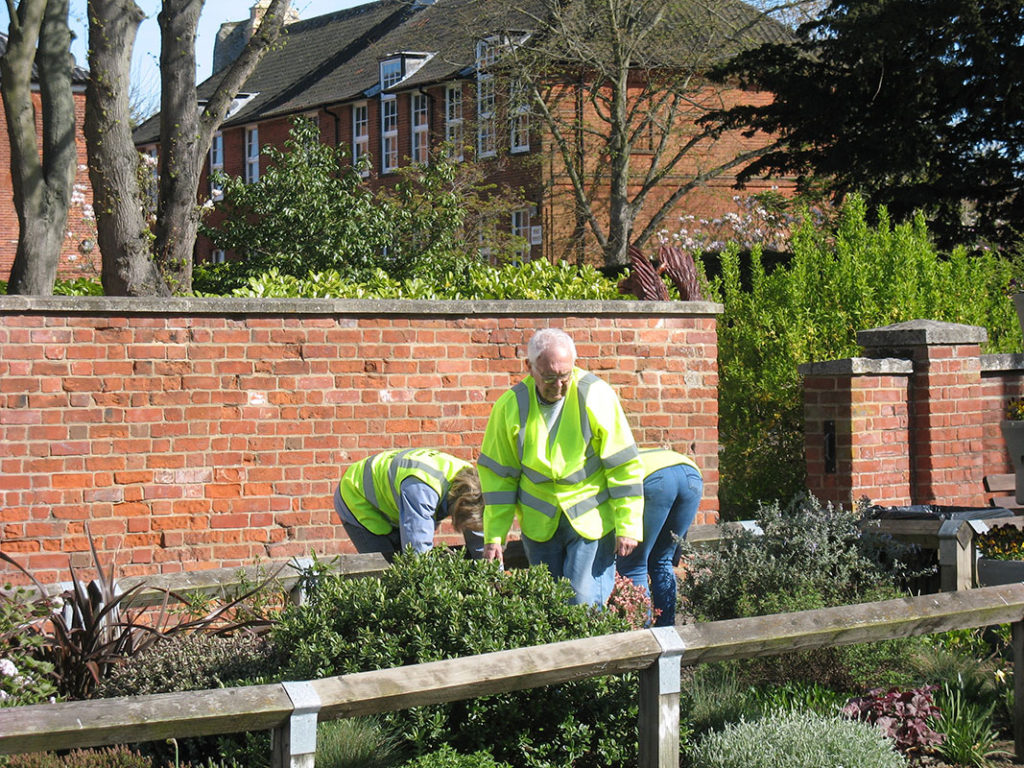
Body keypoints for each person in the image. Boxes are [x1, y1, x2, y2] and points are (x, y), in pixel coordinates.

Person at [478, 328, 645, 605]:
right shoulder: (509, 407)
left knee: (583, 602)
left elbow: (623, 465)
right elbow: (498, 479)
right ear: (529, 368)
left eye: (565, 376)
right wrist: (495, 535)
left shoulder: (596, 395)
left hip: (590, 521)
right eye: (549, 377)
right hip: (539, 525)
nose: (558, 385)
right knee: (549, 605)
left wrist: (628, 524)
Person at [334, 448, 484, 559]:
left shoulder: (473, 484)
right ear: (459, 506)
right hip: (356, 495)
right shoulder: (423, 491)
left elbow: (480, 538)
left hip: (394, 496)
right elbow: (418, 554)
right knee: (385, 570)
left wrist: (492, 578)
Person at [616, 447, 703, 627]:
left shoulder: (613, 464)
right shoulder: (633, 451)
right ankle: (667, 635)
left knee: (633, 563)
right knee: (662, 561)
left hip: (654, 479)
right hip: (691, 474)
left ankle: (644, 636)